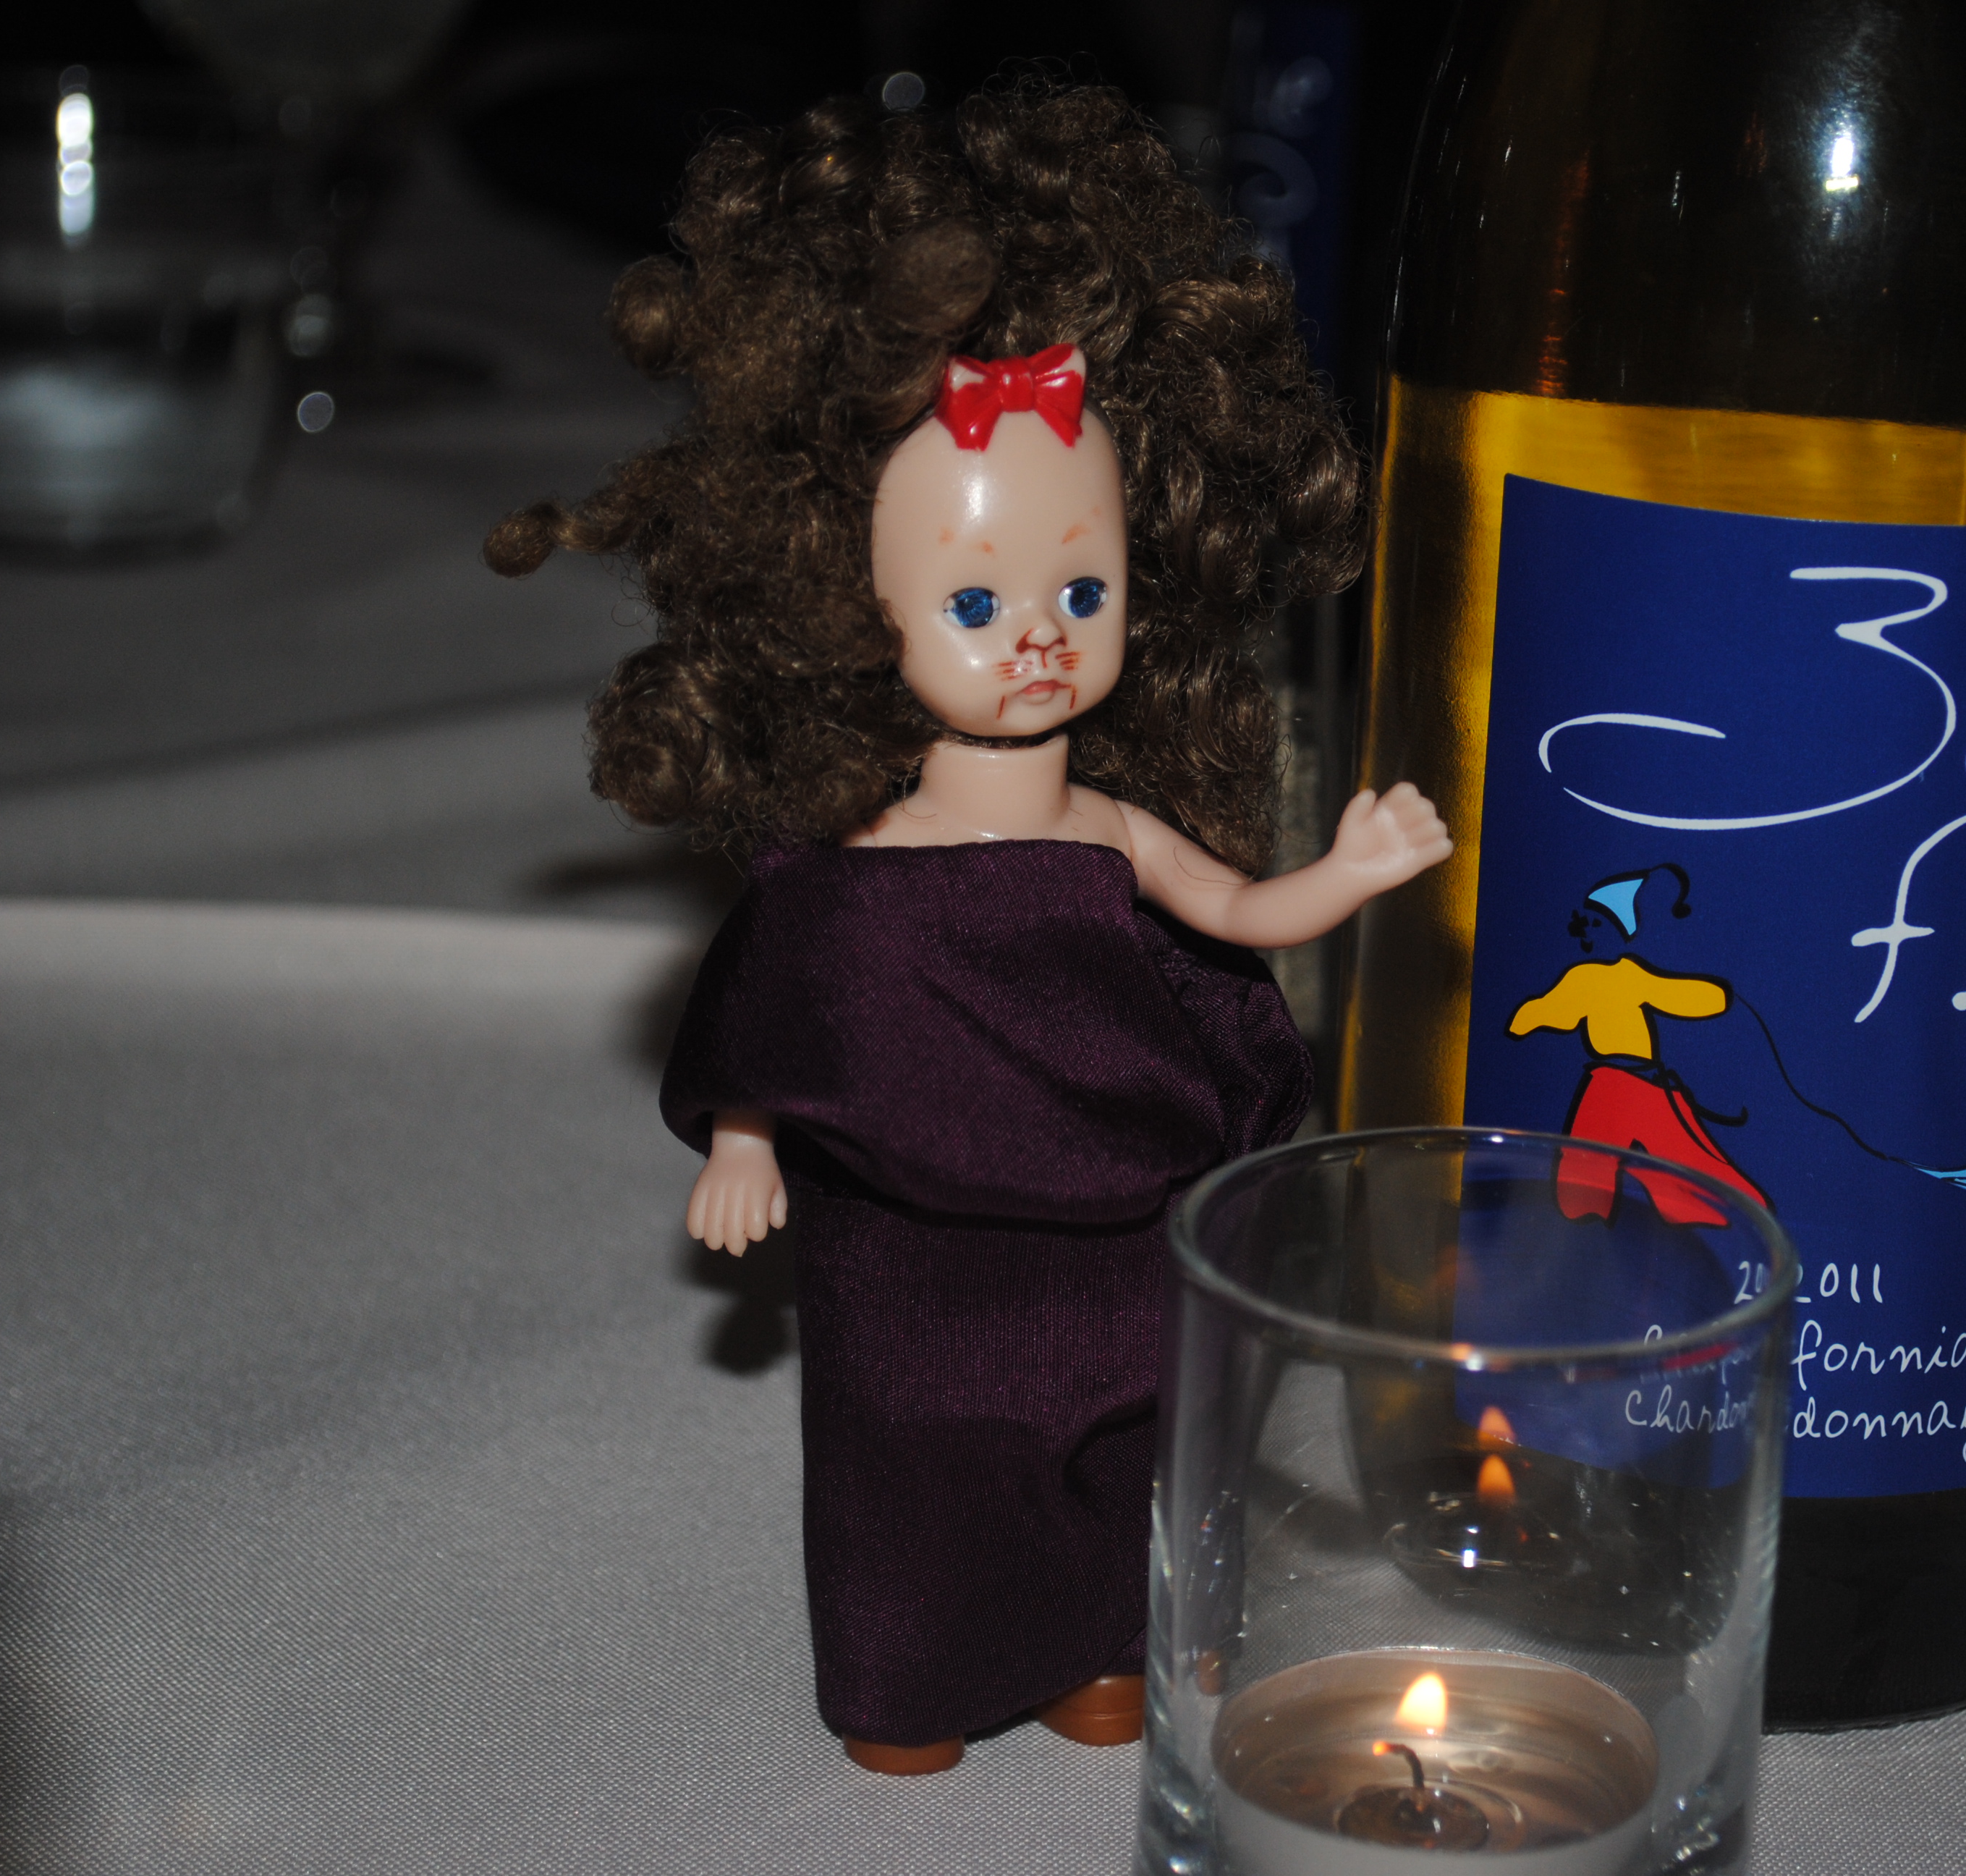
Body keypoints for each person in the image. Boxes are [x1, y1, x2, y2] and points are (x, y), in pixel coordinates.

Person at [486, 83, 1448, 1776]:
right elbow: (773, 1012)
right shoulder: (851, 863)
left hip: (1111, 1239)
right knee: (914, 1479)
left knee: (1112, 1455)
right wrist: (745, 1140)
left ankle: (1092, 1655)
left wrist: (1352, 869)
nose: (1040, 639)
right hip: (916, 1267)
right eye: (977, 602)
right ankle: (909, 1687)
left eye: (1083, 591)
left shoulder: (1107, 828)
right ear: (838, 600)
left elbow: (1236, 914)